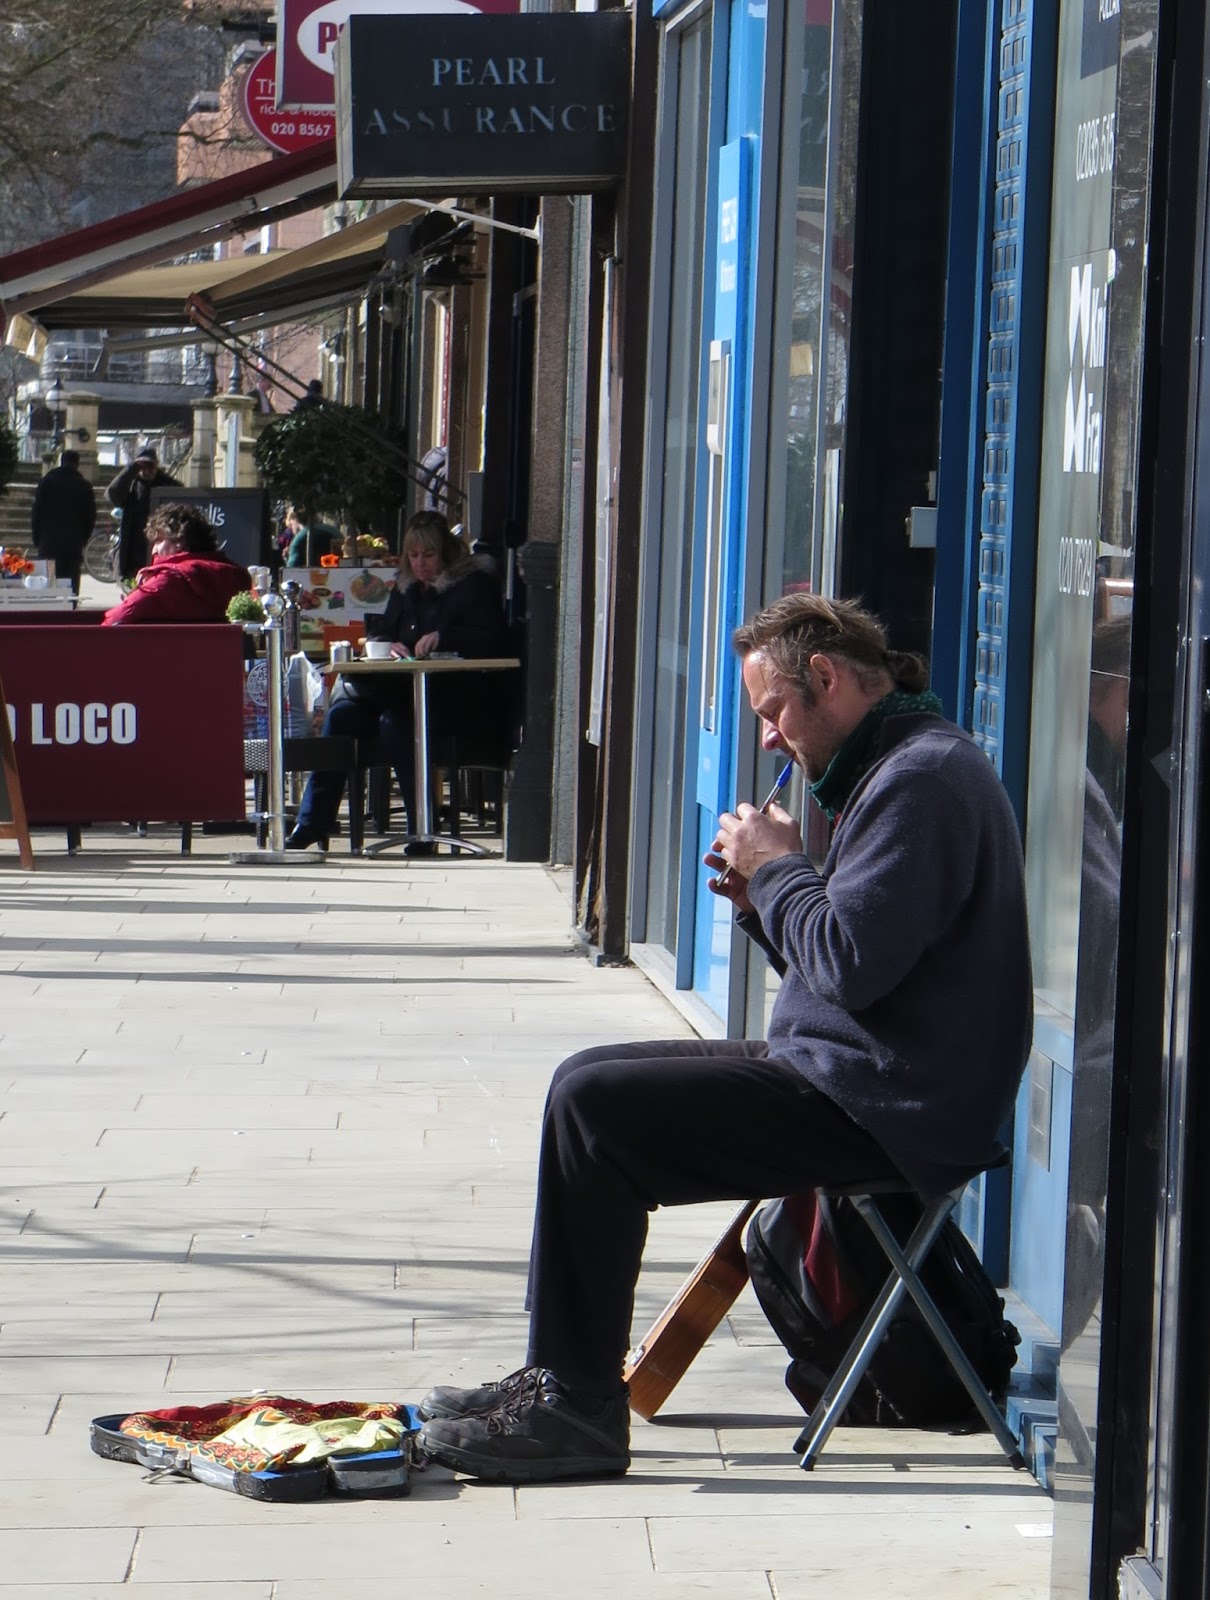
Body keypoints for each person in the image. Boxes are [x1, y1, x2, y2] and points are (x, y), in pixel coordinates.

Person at [416, 593, 1033, 1484]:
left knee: (596, 1107)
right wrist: (762, 900)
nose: (771, 738)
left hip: (889, 1102)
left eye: (774, 712)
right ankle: (557, 1375)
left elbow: (852, 966)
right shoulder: (898, 766)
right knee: (583, 1079)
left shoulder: (922, 780)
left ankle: (578, 1407)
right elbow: (854, 967)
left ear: (825, 677)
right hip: (856, 1076)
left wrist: (778, 868)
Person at [285, 511, 508, 851]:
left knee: (397, 722)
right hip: (403, 691)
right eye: (414, 556)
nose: (420, 564)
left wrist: (445, 637)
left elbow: (494, 639)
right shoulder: (406, 588)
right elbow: (382, 630)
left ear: (446, 553)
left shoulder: (472, 586)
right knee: (341, 716)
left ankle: (422, 828)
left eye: (429, 555)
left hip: (457, 696)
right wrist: (388, 645)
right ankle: (313, 820)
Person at [101, 502, 251, 625]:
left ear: (180, 541)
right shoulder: (237, 577)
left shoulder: (168, 580)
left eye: (159, 541)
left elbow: (114, 621)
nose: (154, 550)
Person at [30, 448, 96, 594]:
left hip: (48, 539)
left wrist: (37, 537)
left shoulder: (47, 481)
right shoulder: (84, 485)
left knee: (48, 578)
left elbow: (36, 511)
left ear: (61, 461)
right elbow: (90, 516)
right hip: (73, 541)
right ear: (77, 464)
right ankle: (71, 604)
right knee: (71, 579)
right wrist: (83, 538)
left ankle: (49, 602)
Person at [106, 449, 180, 579]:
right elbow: (113, 495)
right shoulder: (132, 485)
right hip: (135, 545)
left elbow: (181, 497)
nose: (147, 471)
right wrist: (131, 470)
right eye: (143, 467)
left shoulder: (167, 484)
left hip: (159, 542)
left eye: (150, 466)